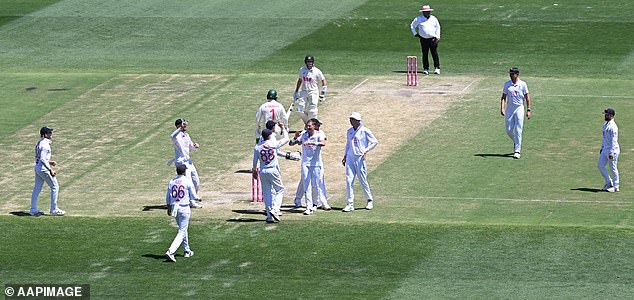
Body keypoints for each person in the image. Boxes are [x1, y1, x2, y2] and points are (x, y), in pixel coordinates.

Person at [289, 118, 330, 215]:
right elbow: (291, 143)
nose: (308, 127)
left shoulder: (319, 134)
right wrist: (295, 137)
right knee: (306, 185)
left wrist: (312, 143)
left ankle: (315, 203)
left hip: (316, 164)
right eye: (307, 126)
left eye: (309, 126)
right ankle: (308, 207)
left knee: (315, 184)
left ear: (314, 126)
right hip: (305, 164)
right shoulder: (304, 134)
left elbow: (323, 143)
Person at [342, 112, 378, 212]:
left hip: (359, 158)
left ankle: (369, 200)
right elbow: (348, 144)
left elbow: (375, 142)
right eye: (350, 119)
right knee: (349, 181)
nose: (351, 121)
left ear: (358, 121)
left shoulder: (365, 130)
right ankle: (350, 204)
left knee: (362, 180)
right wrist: (345, 156)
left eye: (353, 119)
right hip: (350, 157)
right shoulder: (349, 131)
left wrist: (365, 150)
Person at [252, 128, 290, 223]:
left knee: (267, 193)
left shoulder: (257, 147)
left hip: (263, 170)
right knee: (280, 189)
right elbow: (286, 139)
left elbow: (254, 161)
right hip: (273, 169)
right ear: (269, 136)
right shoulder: (273, 144)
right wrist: (284, 129)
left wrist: (254, 172)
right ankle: (275, 209)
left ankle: (269, 216)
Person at [165, 165, 200, 262]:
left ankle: (187, 250)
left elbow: (168, 196)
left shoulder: (172, 181)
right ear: (184, 172)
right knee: (181, 231)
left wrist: (168, 207)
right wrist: (198, 198)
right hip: (184, 208)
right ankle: (171, 251)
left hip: (175, 208)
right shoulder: (187, 181)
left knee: (183, 229)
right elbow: (193, 195)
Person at [31, 126, 64, 216]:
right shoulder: (45, 145)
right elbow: (42, 159)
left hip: (38, 167)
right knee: (55, 186)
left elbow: (40, 158)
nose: (51, 134)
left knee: (36, 189)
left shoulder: (39, 143)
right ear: (45, 135)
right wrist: (50, 170)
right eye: (50, 133)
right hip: (43, 169)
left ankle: (33, 209)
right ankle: (54, 209)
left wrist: (49, 162)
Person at [169, 118, 202, 208]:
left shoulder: (186, 135)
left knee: (196, 181)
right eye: (183, 124)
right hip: (181, 162)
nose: (185, 126)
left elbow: (190, 146)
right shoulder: (176, 137)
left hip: (188, 162)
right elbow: (172, 136)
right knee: (189, 182)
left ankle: (192, 198)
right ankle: (191, 201)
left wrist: (195, 146)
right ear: (179, 126)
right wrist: (179, 128)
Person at [500, 67, 531, 159]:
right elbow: (503, 97)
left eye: (512, 74)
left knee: (518, 129)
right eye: (510, 74)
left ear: (517, 74)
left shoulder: (523, 84)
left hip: (519, 108)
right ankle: (516, 141)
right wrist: (502, 108)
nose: (511, 75)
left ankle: (517, 150)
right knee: (509, 130)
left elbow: (527, 97)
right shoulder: (507, 85)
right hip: (510, 109)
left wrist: (528, 109)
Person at [293, 55, 327, 124]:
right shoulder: (302, 70)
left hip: (313, 92)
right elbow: (300, 80)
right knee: (299, 110)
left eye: (310, 62)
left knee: (312, 110)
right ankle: (310, 122)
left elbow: (324, 81)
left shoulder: (317, 71)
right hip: (304, 91)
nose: (309, 63)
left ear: (313, 62)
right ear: (305, 62)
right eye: (308, 62)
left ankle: (312, 124)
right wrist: (296, 91)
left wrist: (323, 93)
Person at [410, 5, 441, 75]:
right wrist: (415, 33)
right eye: (426, 12)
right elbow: (412, 25)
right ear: (423, 12)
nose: (427, 13)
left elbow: (438, 27)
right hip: (423, 39)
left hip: (432, 39)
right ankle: (426, 68)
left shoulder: (433, 18)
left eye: (428, 12)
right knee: (425, 53)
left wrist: (437, 37)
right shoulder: (418, 19)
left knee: (434, 53)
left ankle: (437, 68)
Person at [599, 108, 620, 192]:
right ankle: (609, 182)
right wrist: (602, 147)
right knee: (600, 165)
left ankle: (616, 186)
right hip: (605, 149)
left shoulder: (613, 127)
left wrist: (611, 152)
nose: (605, 115)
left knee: (613, 168)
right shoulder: (605, 124)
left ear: (611, 116)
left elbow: (614, 141)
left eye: (607, 114)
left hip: (612, 150)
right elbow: (604, 138)